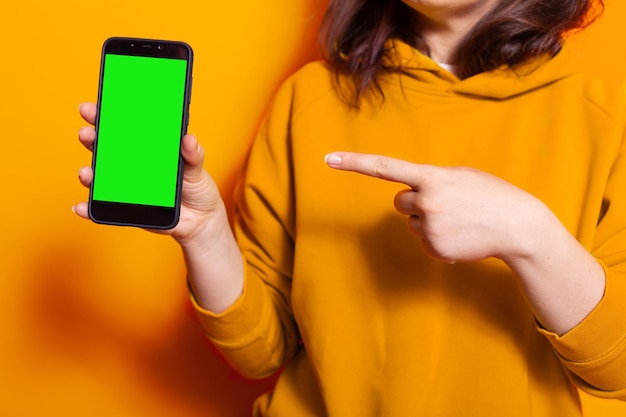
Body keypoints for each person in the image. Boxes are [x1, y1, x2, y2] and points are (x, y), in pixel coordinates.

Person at [75, 0, 626, 415]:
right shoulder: (307, 99)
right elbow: (260, 354)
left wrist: (529, 233)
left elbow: (617, 368)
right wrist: (205, 234)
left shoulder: (600, 119)